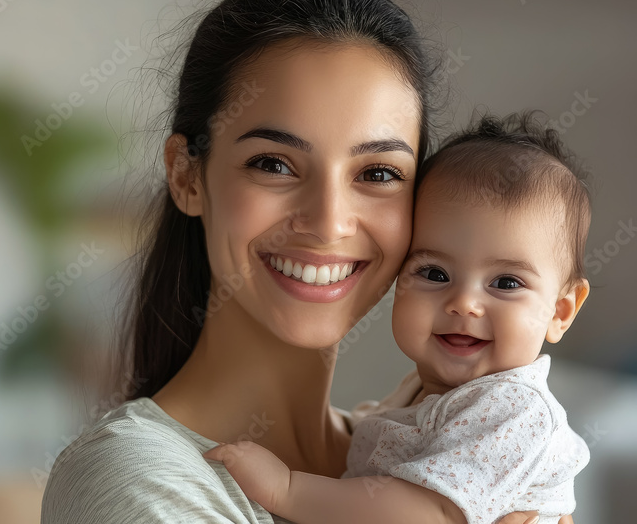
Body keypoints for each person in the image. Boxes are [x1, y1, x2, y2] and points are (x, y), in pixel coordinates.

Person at [41, 0, 569, 523]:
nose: (328, 222)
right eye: (274, 164)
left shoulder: (417, 458)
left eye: (379, 173)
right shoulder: (138, 482)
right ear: (186, 176)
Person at [204, 112, 591, 524]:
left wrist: (287, 490)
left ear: (560, 311)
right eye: (434, 274)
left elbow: (427, 514)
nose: (464, 304)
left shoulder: (514, 408)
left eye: (507, 283)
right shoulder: (427, 391)